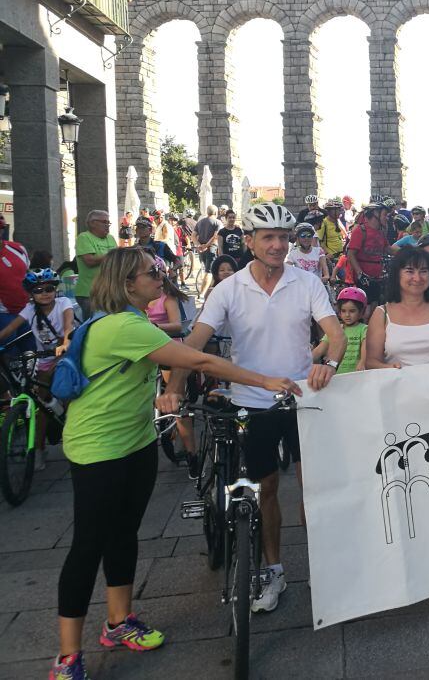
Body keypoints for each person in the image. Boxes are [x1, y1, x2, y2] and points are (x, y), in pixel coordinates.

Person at [52, 247, 301, 680]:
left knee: (124, 533)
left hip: (136, 441)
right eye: (154, 273)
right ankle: (68, 656)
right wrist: (264, 380)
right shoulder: (123, 327)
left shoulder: (132, 323)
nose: (161, 278)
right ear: (128, 283)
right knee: (88, 545)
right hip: (97, 448)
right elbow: (198, 358)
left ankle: (118, 621)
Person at [167, 204, 344, 615]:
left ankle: (324, 567)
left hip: (300, 397)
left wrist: (329, 364)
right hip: (251, 399)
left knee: (313, 488)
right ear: (248, 242)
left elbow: (335, 334)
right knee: (266, 490)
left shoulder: (306, 281)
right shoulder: (229, 289)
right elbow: (194, 343)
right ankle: (274, 568)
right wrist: (174, 387)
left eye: (283, 237)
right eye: (268, 237)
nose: (278, 244)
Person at [0, 268, 74, 470]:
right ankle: (39, 449)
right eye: (39, 290)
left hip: (66, 354)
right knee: (39, 405)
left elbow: (68, 326)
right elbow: (9, 329)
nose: (44, 293)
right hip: (43, 359)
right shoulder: (30, 310)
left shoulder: (63, 303)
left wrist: (65, 342)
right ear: (31, 294)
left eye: (49, 289)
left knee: (67, 395)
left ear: (55, 290)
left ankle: (71, 430)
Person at [364, 247, 429, 368]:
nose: (417, 278)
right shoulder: (381, 314)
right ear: (397, 275)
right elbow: (371, 362)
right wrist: (390, 368)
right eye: (410, 271)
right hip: (397, 385)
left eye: (423, 271)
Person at [347, 198, 392, 320]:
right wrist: (360, 274)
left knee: (374, 307)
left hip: (376, 276)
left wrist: (409, 251)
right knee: (366, 311)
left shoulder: (380, 232)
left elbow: (388, 249)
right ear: (375, 215)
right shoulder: (360, 231)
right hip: (364, 277)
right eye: (384, 214)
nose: (386, 218)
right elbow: (351, 253)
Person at [312, 287, 367, 374]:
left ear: (361, 312)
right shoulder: (335, 330)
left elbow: (365, 348)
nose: (347, 315)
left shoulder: (364, 329)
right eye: (343, 311)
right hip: (335, 375)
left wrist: (362, 362)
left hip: (356, 375)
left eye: (352, 311)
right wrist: (306, 362)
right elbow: (319, 350)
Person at [74, 210, 117, 319]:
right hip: (89, 293)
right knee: (92, 325)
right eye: (104, 222)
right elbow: (89, 261)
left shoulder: (110, 238)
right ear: (92, 223)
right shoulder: (84, 237)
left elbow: (118, 260)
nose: (107, 225)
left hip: (109, 291)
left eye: (108, 222)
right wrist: (112, 254)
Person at [146, 270, 185, 338]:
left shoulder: (167, 300)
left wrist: (155, 326)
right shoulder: (137, 299)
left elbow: (177, 326)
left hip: (166, 338)